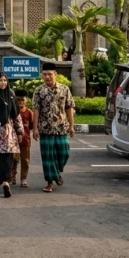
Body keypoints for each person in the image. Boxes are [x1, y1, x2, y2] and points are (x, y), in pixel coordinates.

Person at [33, 63, 75, 193]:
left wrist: (72, 125)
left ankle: (57, 172)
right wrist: (35, 128)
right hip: (45, 129)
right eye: (44, 74)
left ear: (55, 75)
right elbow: (36, 110)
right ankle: (50, 182)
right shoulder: (39, 91)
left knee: (64, 153)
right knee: (47, 157)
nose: (47, 77)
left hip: (61, 127)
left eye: (49, 74)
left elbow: (69, 108)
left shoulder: (64, 89)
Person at [11, 89, 34, 188]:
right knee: (13, 160)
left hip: (25, 140)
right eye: (18, 100)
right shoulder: (12, 111)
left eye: (22, 100)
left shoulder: (29, 112)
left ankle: (23, 179)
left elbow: (32, 125)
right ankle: (12, 176)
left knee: (25, 160)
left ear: (26, 100)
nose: (20, 102)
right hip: (13, 140)